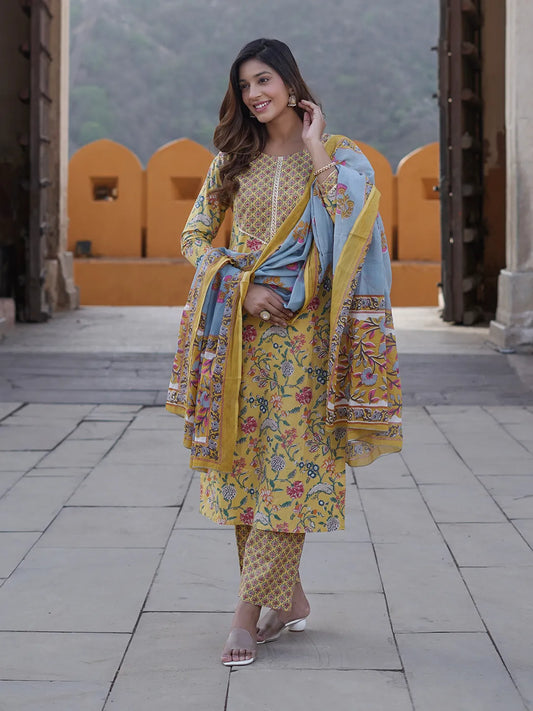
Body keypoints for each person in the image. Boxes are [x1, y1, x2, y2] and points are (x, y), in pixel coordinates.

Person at [166, 38, 402, 667]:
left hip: (308, 341)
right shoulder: (233, 159)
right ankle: (288, 596)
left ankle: (245, 615)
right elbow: (193, 237)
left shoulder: (342, 157)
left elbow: (352, 224)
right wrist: (241, 288)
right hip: (240, 339)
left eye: (264, 80)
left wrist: (317, 147)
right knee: (245, 470)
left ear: (291, 83)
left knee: (289, 473)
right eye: (244, 85)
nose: (254, 94)